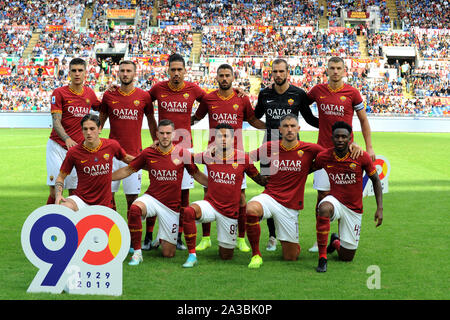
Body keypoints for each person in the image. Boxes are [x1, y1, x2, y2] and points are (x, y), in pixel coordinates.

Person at [191, 63, 266, 253]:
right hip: (213, 155)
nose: (224, 78)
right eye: (221, 75)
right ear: (216, 77)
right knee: (209, 194)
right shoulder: (208, 98)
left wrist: (273, 128)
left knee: (241, 198)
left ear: (233, 78)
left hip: (236, 157)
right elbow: (195, 118)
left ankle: (241, 238)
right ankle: (206, 238)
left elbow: (252, 120)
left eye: (227, 75)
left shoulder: (242, 99)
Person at [112, 119, 208, 265]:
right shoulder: (148, 153)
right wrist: (106, 177)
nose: (164, 136)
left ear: (173, 134)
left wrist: (216, 186)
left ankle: (162, 238)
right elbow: (128, 169)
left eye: (168, 133)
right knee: (135, 208)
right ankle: (137, 253)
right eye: (161, 133)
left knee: (168, 254)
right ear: (156, 134)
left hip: (171, 206)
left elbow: (197, 174)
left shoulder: (182, 153)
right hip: (152, 198)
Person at [306, 56, 375, 252]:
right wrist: (315, 122)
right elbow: (302, 105)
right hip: (323, 153)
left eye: (338, 68)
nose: (335, 71)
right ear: (326, 70)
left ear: (345, 71)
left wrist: (368, 147)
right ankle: (321, 239)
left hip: (347, 153)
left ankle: (340, 237)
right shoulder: (317, 91)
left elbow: (363, 120)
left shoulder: (352, 93)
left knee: (343, 195)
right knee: (322, 196)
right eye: (332, 68)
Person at [254, 58, 319, 252]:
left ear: (288, 72)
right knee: (268, 188)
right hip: (269, 147)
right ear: (271, 73)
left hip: (292, 150)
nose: (278, 75)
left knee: (289, 188)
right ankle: (273, 236)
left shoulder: (298, 94)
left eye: (282, 71)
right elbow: (254, 116)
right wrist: (269, 129)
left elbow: (310, 119)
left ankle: (288, 230)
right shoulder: (265, 94)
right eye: (275, 72)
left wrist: (333, 125)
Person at [181, 123, 268, 268]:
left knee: (226, 256)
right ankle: (192, 255)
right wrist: (195, 173)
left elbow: (259, 179)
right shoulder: (209, 156)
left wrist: (278, 181)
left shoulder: (243, 158)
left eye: (226, 136)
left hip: (229, 212)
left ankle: (232, 243)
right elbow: (187, 157)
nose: (222, 139)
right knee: (189, 211)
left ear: (233, 138)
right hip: (210, 205)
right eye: (219, 136)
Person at [245, 114, 324, 268]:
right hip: (270, 197)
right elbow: (246, 158)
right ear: (280, 129)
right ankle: (256, 255)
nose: (289, 129)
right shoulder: (269, 147)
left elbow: (331, 156)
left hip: (290, 206)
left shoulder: (310, 149)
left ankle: (292, 245)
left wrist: (353, 147)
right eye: (286, 126)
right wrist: (258, 178)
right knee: (251, 209)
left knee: (291, 256)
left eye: (293, 126)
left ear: (298, 129)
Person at [147, 53, 206, 250]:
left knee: (183, 194)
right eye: (173, 69)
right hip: (163, 148)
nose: (176, 73)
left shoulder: (193, 89)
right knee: (157, 191)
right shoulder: (158, 88)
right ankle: (149, 236)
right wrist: (155, 134)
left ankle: (178, 236)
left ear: (185, 71)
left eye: (180, 70)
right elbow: (141, 102)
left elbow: (210, 101)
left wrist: (195, 119)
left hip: (185, 148)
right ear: (168, 70)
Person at [314, 121, 383, 272]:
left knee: (347, 257)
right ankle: (322, 258)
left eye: (343, 137)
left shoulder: (361, 156)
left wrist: (380, 208)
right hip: (335, 201)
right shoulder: (324, 156)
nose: (340, 140)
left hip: (354, 208)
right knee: (324, 208)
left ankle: (335, 241)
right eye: (337, 136)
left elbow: (376, 180)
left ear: (350, 138)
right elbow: (308, 168)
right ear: (331, 138)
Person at [99, 60, 157, 217]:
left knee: (132, 202)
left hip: (134, 155)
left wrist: (155, 140)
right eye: (122, 70)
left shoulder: (143, 96)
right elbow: (101, 118)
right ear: (118, 73)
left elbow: (151, 120)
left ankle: (132, 239)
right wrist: (97, 132)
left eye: (128, 71)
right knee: (108, 199)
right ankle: (113, 235)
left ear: (134, 73)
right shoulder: (109, 95)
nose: (125, 74)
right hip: (111, 155)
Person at [46, 58, 101, 206]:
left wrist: (113, 92)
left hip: (77, 150)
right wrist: (66, 138)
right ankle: (49, 221)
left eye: (80, 70)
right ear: (69, 73)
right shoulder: (59, 93)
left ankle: (72, 226)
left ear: (85, 73)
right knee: (55, 190)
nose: (77, 74)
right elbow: (56, 121)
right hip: (58, 146)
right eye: (74, 71)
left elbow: (102, 107)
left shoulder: (89, 93)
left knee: (74, 192)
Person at [54, 114, 133, 211]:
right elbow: (61, 177)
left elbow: (128, 159)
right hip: (81, 200)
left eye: (92, 129)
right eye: (85, 129)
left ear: (99, 129)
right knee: (64, 209)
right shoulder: (74, 152)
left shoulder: (112, 145)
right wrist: (58, 195)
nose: (88, 132)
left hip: (104, 203)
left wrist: (148, 163)